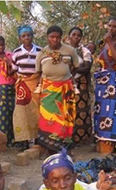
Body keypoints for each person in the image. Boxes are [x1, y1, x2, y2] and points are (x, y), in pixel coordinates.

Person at [35, 26, 80, 154]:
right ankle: (50, 149)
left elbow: (75, 67)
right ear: (47, 38)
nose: (55, 39)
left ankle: (65, 150)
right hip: (48, 91)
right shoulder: (42, 53)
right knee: (48, 119)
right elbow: (38, 72)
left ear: (61, 38)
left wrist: (68, 77)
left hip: (66, 90)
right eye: (52, 37)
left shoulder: (70, 51)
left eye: (57, 37)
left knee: (66, 119)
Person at [94, 17, 116, 150]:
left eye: (114, 26)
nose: (111, 29)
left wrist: (109, 42)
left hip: (114, 79)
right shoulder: (103, 43)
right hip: (103, 81)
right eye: (109, 26)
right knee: (102, 109)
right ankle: (103, 138)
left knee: (115, 109)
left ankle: (115, 139)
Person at [12, 25, 42, 149]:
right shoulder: (16, 52)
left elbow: (42, 69)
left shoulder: (40, 51)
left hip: (36, 83)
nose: (27, 38)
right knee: (21, 111)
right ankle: (23, 140)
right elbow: (14, 70)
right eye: (23, 36)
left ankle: (37, 139)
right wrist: (21, 80)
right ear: (20, 38)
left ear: (32, 36)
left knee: (36, 111)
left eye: (28, 35)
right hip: (22, 85)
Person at [68, 27, 93, 145]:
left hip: (80, 84)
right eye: (74, 35)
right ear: (69, 36)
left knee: (81, 110)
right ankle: (68, 138)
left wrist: (73, 68)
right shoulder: (64, 50)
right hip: (66, 83)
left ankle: (82, 139)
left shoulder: (84, 51)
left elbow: (87, 67)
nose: (76, 37)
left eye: (78, 35)